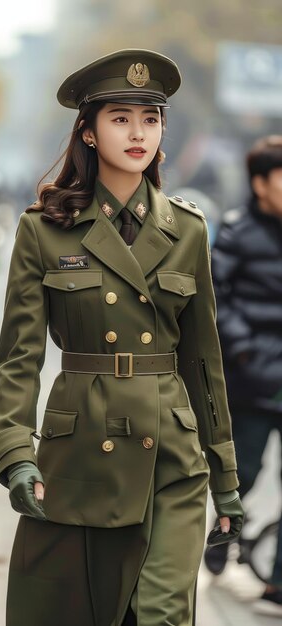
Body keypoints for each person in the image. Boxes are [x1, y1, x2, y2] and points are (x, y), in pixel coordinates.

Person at [0, 49, 243, 626]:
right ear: (88, 131)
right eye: (121, 118)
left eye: (150, 119)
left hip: (171, 458)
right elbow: (19, 359)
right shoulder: (43, 230)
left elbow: (204, 361)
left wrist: (224, 475)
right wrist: (14, 453)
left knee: (161, 614)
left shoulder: (188, 231)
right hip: (79, 454)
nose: (138, 133)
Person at [205, 135, 282, 617]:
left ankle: (278, 581)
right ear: (260, 183)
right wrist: (246, 352)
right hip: (253, 382)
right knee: (243, 476)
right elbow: (217, 299)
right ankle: (223, 533)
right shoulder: (234, 231)